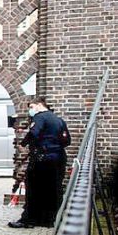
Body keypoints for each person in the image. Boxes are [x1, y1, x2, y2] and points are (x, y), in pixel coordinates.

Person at [8, 97, 71, 228]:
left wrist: (23, 144)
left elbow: (34, 132)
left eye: (31, 107)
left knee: (33, 189)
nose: (30, 110)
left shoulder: (40, 117)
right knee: (54, 189)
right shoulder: (59, 120)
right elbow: (67, 141)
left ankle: (29, 220)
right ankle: (49, 220)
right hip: (58, 159)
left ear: (39, 105)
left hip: (42, 159)